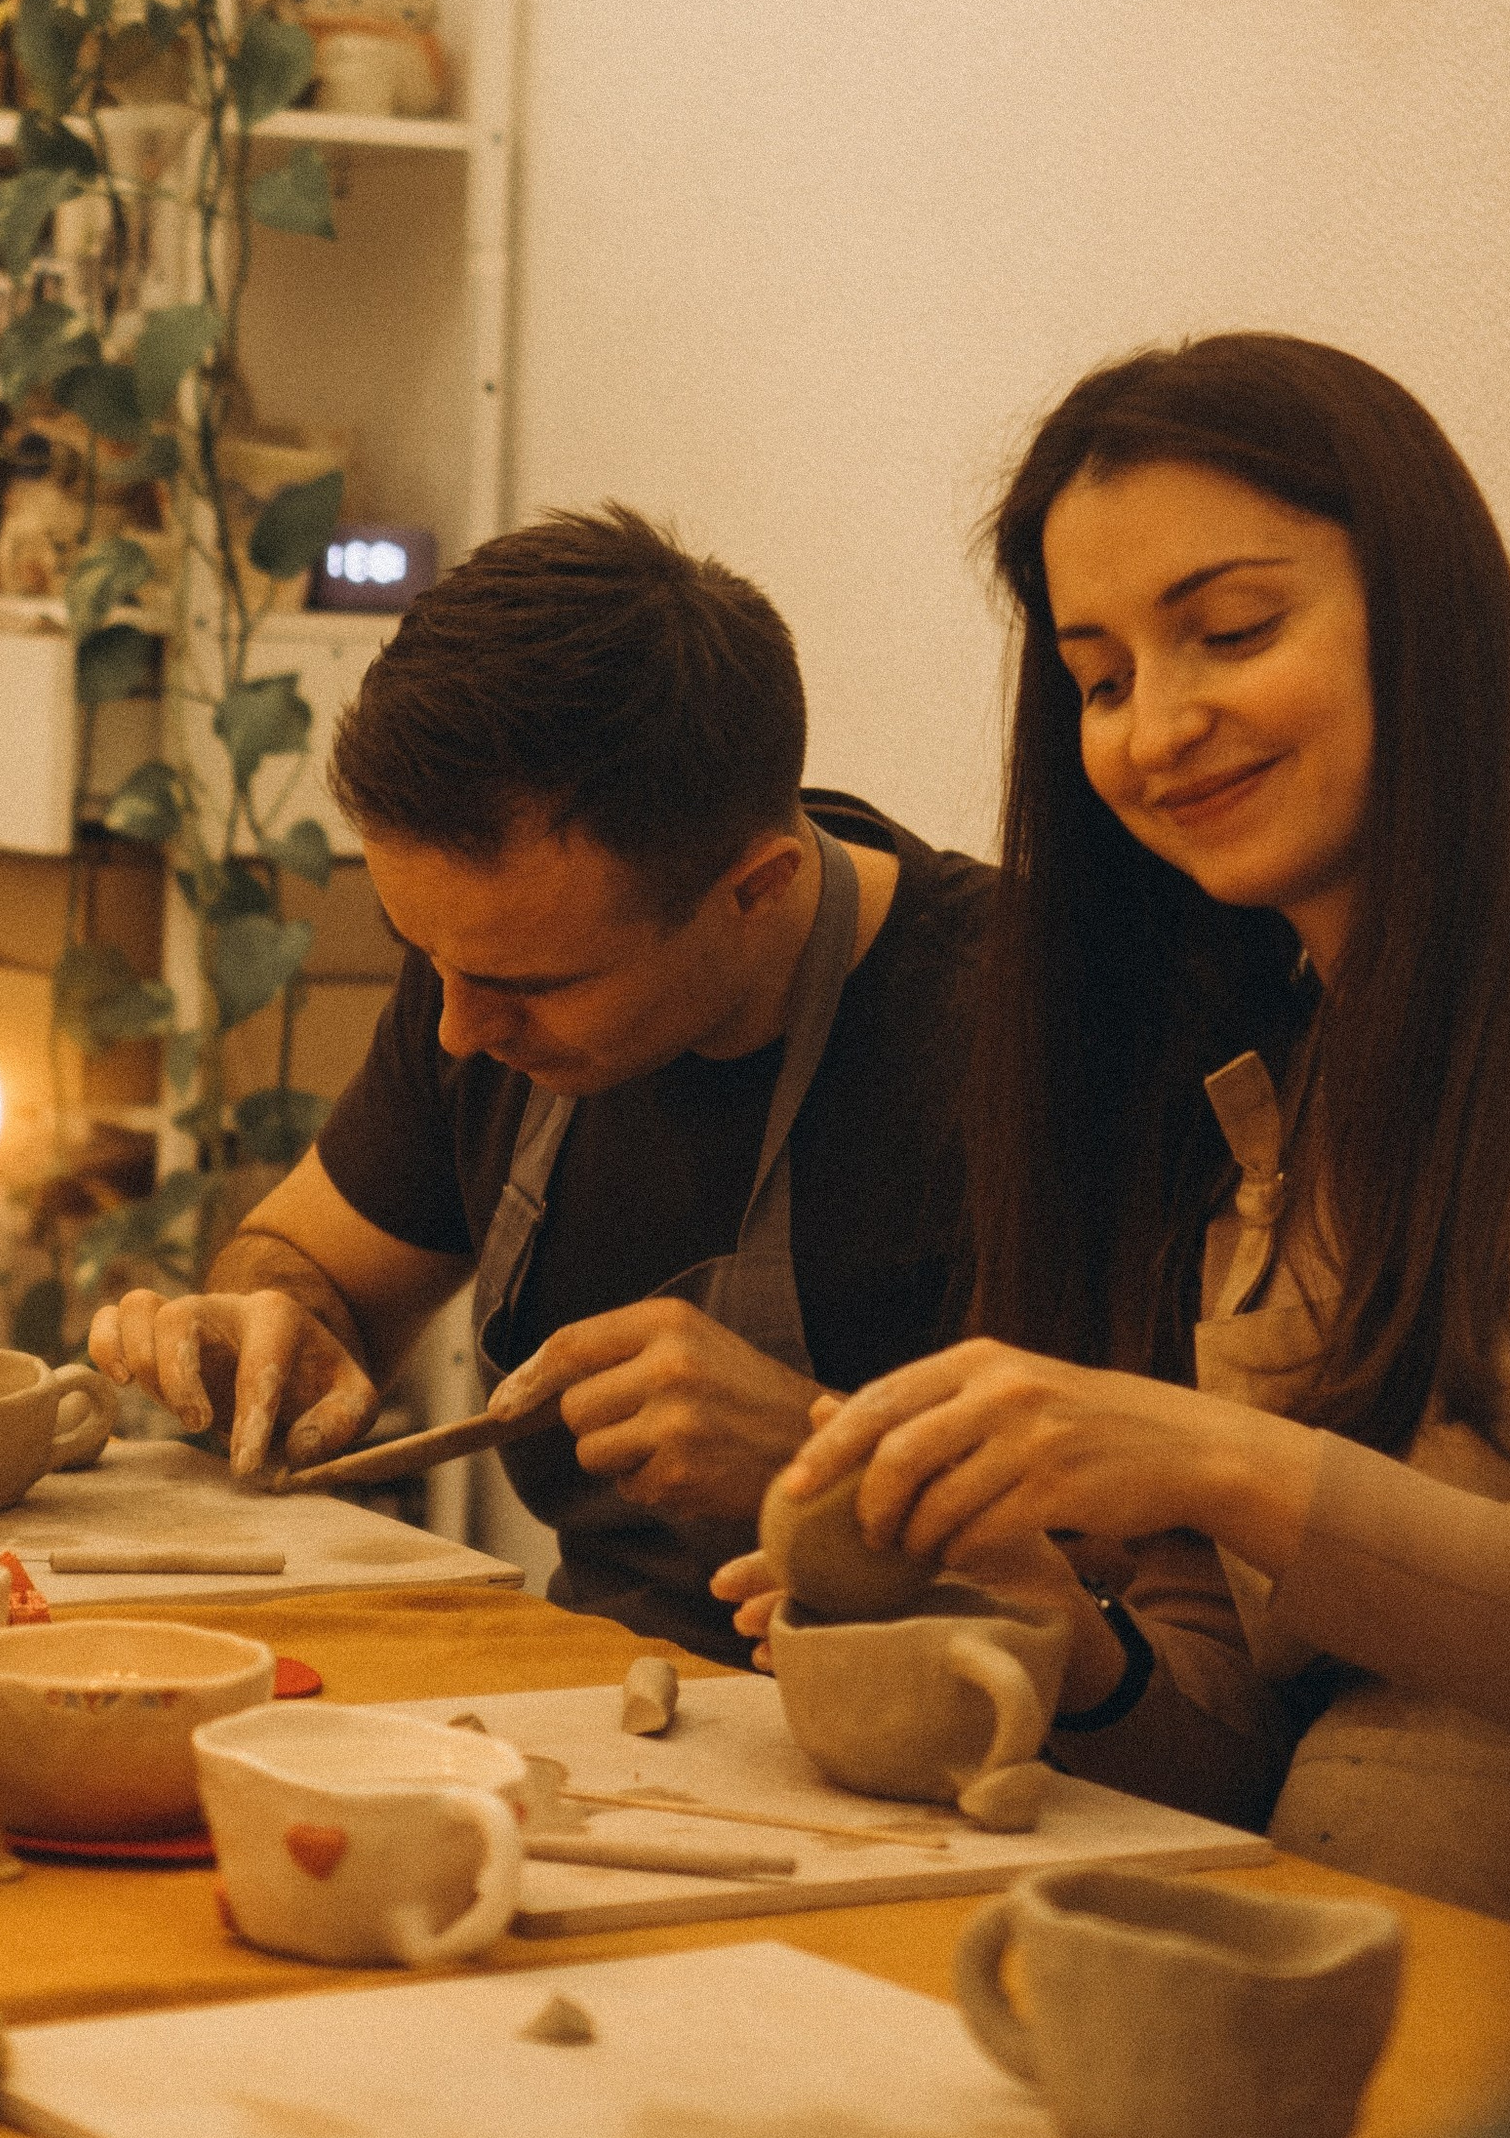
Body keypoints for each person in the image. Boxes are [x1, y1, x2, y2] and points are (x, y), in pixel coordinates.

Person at [732, 336, 1510, 1944]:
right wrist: (1054, 1631)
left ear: (1428, 610)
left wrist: (1222, 1459)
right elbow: (1229, 1760)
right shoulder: (1250, 1082)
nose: (1157, 728)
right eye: (1102, 680)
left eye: (1233, 632)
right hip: (1303, 1960)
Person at [89, 504, 997, 1655]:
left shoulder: (1010, 1035)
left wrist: (816, 1450)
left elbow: (1156, 1598)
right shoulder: (483, 963)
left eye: (535, 985)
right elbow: (313, 1259)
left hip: (935, 1754)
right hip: (605, 1694)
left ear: (758, 889)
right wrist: (276, 1322)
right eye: (430, 961)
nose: (462, 1030)